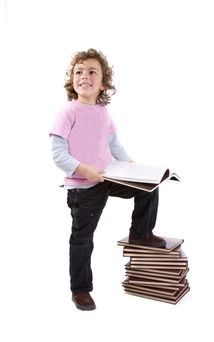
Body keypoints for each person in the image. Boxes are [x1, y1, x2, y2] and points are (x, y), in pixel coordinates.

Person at [50, 48, 166, 311]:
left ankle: (141, 233)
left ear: (103, 84)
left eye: (92, 72)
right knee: (83, 239)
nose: (85, 76)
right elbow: (58, 154)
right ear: (72, 80)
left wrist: (131, 166)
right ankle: (80, 289)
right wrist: (84, 169)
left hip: (108, 175)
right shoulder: (68, 112)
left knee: (149, 187)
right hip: (84, 185)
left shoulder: (102, 112)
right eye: (79, 72)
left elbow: (114, 144)